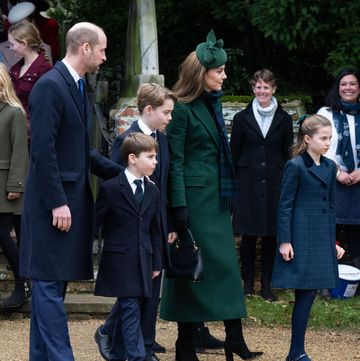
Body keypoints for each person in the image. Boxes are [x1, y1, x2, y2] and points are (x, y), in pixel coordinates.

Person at [20, 22, 121, 361]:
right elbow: (43, 151)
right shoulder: (50, 86)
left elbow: (80, 151)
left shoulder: (75, 86)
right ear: (85, 48)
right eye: (102, 49)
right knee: (48, 285)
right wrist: (57, 203)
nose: (105, 57)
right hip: (53, 205)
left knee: (53, 285)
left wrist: (123, 175)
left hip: (68, 201)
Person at [159, 29, 263, 361]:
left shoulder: (211, 104)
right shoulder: (182, 109)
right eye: (219, 70)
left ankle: (234, 337)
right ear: (201, 74)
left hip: (216, 201)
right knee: (194, 269)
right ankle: (185, 344)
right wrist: (178, 207)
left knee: (225, 268)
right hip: (194, 202)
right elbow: (174, 162)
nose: (225, 75)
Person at [95, 83, 176, 361]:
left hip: (156, 222)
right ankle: (139, 346)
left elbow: (164, 183)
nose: (169, 118)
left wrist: (171, 224)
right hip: (128, 232)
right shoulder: (126, 140)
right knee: (134, 289)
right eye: (166, 112)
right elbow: (121, 187)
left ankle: (140, 340)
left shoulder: (161, 140)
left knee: (151, 285)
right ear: (149, 110)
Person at [271, 114, 345, 361]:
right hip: (300, 238)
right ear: (307, 139)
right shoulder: (295, 166)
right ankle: (296, 351)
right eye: (323, 138)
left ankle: (296, 352)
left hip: (321, 238)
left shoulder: (330, 166)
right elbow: (285, 206)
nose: (327, 143)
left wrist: (333, 243)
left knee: (310, 293)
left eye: (329, 139)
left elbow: (331, 208)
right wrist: (284, 240)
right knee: (305, 293)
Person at [94, 132, 162, 361]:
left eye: (156, 157)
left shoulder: (153, 190)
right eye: (150, 157)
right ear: (133, 158)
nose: (155, 162)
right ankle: (136, 357)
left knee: (133, 308)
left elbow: (155, 229)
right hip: (119, 262)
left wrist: (157, 263)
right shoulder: (111, 188)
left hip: (144, 261)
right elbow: (96, 223)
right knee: (130, 308)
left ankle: (116, 354)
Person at [230, 69, 293, 301]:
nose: (262, 91)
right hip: (248, 185)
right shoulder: (241, 118)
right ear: (253, 89)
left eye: (266, 87)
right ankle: (247, 285)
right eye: (258, 87)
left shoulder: (284, 119)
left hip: (275, 184)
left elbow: (288, 152)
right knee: (248, 237)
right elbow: (234, 153)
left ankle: (266, 285)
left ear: (273, 89)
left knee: (270, 236)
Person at [317, 66, 360, 270]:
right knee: (329, 228)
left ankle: (356, 276)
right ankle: (326, 278)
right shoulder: (325, 113)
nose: (348, 88)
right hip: (331, 179)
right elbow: (318, 148)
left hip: (359, 179)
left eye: (353, 83)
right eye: (344, 84)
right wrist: (338, 172)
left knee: (357, 231)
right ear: (338, 88)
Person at [0, 62, 29, 308]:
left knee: (4, 234)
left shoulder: (14, 112)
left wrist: (16, 184)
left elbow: (20, 150)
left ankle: (23, 282)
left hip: (7, 183)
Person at [8, 19, 52, 122]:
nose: (10, 48)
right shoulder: (14, 70)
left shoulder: (45, 71)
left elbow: (47, 110)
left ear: (24, 43)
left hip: (32, 132)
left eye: (12, 44)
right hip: (16, 129)